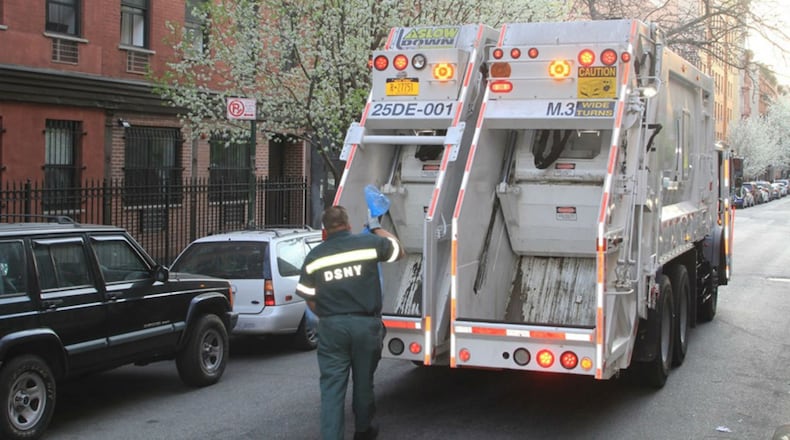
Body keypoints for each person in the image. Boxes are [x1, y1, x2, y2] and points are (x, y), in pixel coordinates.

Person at [296, 205, 404, 440]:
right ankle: (363, 430)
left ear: (325, 230)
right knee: (364, 382)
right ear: (348, 224)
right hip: (365, 326)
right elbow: (398, 250)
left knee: (332, 389)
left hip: (332, 327)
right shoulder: (368, 244)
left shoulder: (315, 256)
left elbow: (308, 296)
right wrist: (376, 228)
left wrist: (329, 316)